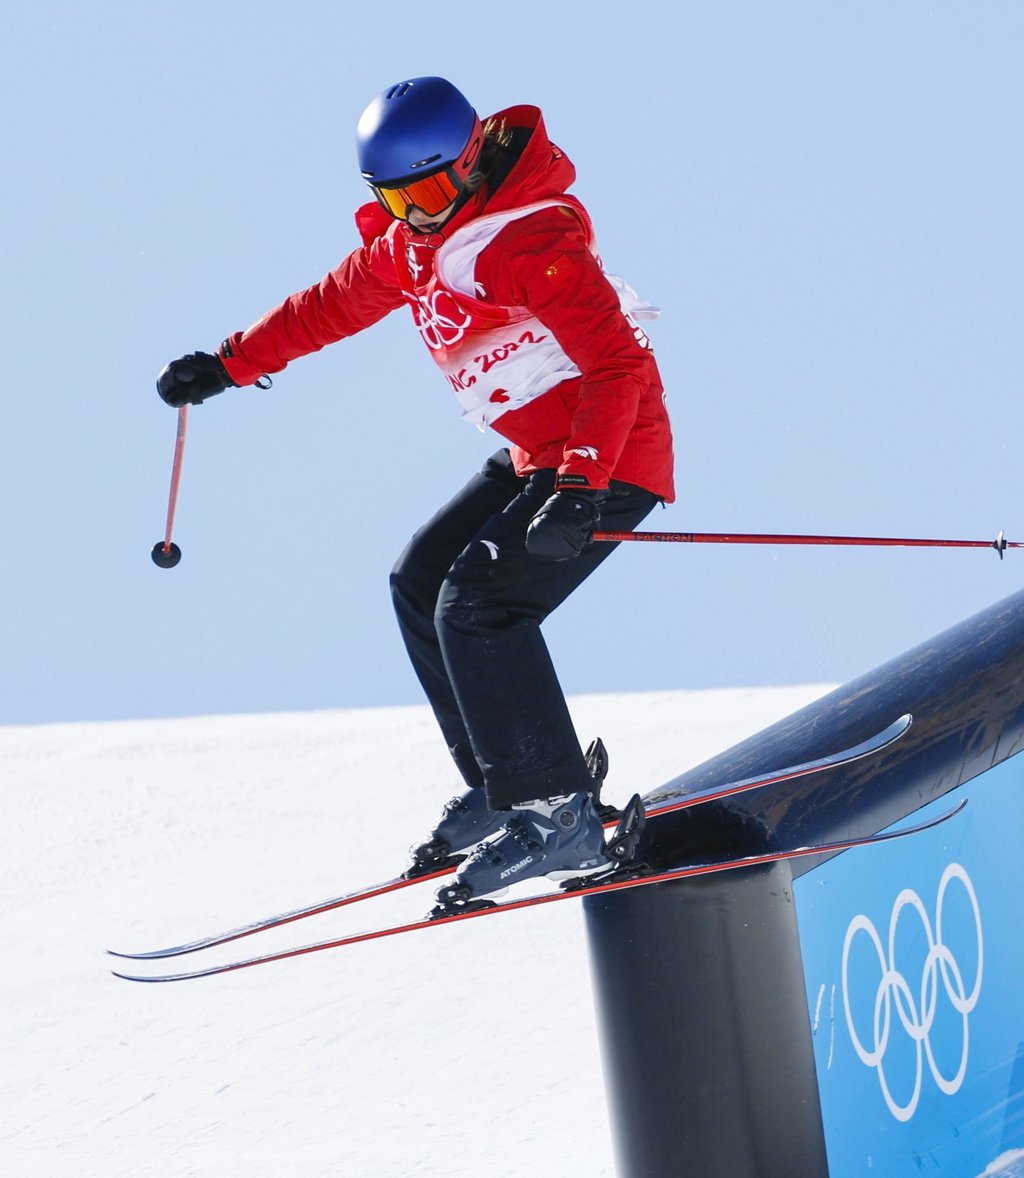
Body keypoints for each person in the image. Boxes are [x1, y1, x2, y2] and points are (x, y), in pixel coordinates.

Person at [157, 76, 675, 910]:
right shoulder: (408, 247)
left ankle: (558, 817)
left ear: (471, 160)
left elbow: (620, 364)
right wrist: (227, 364)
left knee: (477, 605)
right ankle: (507, 781)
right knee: (421, 581)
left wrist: (580, 488)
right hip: (534, 455)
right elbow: (324, 307)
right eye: (400, 199)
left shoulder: (530, 237)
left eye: (434, 191)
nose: (422, 213)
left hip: (607, 453)